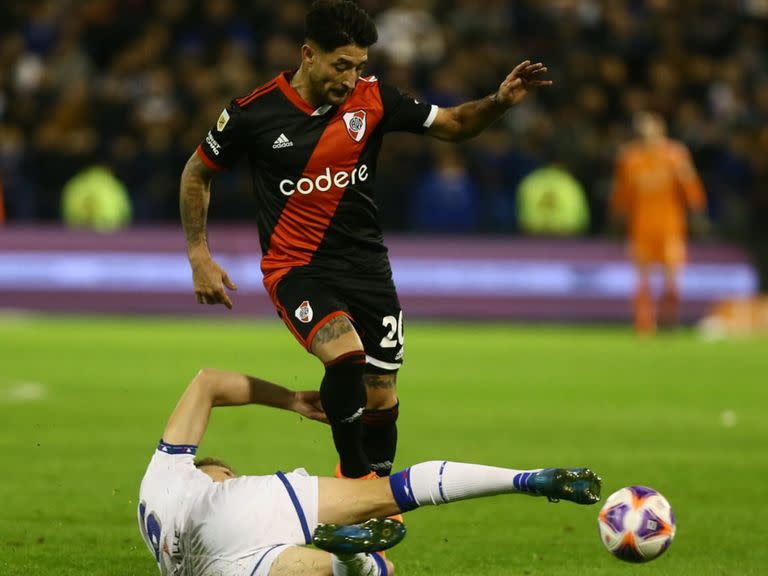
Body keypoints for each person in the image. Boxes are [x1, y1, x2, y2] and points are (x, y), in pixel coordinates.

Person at [180, 0, 552, 484]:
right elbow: (196, 175)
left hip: (368, 266)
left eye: (359, 67)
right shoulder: (254, 113)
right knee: (347, 356)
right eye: (341, 66)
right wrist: (198, 254)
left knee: (381, 395)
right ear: (308, 55)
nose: (351, 79)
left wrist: (499, 101)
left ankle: (370, 498)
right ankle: (356, 483)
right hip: (297, 268)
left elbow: (456, 125)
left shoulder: (374, 100)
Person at [138, 367, 602, 576]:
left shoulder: (160, 494)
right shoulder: (167, 478)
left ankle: (349, 556)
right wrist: (292, 400)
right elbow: (208, 382)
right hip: (236, 517)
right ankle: (523, 479)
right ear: (211, 472)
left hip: (213, 570)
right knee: (389, 492)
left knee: (379, 569)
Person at [610, 111, 707, 335]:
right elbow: (621, 194)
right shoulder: (629, 158)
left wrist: (697, 212)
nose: (645, 133)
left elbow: (691, 187)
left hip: (670, 226)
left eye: (649, 127)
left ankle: (669, 318)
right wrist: (617, 218)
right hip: (641, 227)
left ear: (660, 128)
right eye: (641, 129)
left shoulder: (676, 155)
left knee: (672, 281)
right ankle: (644, 325)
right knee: (642, 279)